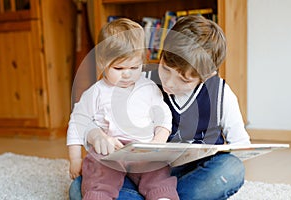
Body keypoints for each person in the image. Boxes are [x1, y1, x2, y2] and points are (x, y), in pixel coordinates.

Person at [69, 15, 251, 200]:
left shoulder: (220, 94)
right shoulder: (138, 78)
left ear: (207, 75)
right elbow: (92, 115)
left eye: (184, 79)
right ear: (161, 54)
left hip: (191, 176)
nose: (168, 83)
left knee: (232, 168)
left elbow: (241, 147)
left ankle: (161, 195)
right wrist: (97, 134)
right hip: (141, 173)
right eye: (166, 68)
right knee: (80, 187)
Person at [67, 18, 179, 200]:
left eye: (134, 67)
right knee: (99, 173)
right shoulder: (96, 92)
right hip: (110, 151)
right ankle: (99, 195)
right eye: (118, 68)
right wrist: (75, 158)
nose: (127, 74)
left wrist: (158, 141)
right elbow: (78, 121)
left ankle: (161, 196)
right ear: (102, 63)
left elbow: (164, 116)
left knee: (158, 173)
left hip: (143, 150)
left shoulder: (149, 87)